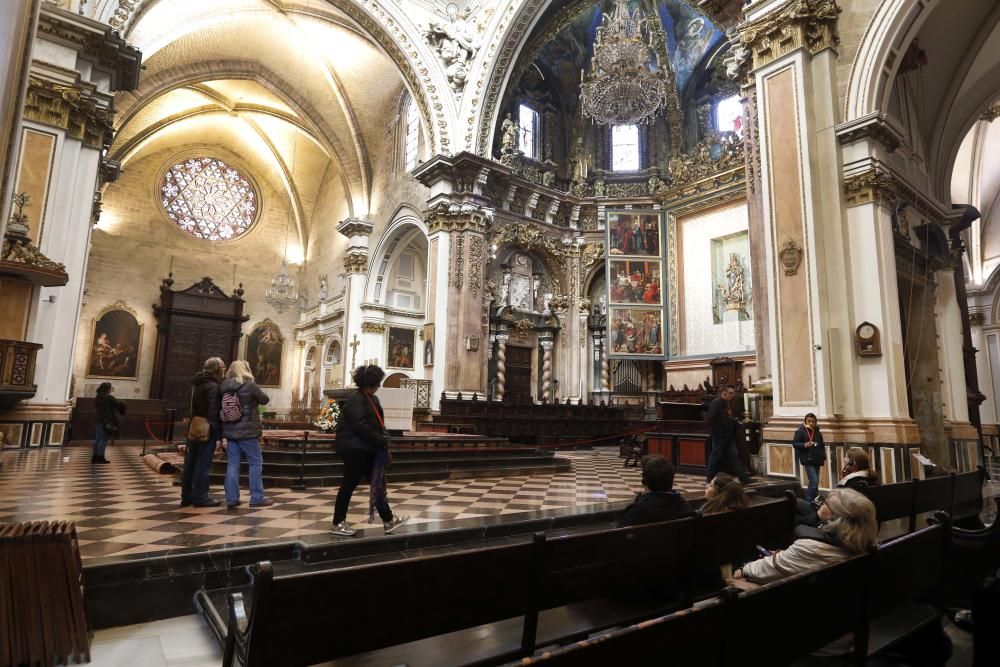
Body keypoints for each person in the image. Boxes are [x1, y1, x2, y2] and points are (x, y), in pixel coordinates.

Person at [728, 489, 879, 657]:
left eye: (826, 503)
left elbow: (761, 571)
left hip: (817, 642)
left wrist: (742, 571)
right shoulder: (865, 543)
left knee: (738, 595)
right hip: (849, 632)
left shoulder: (812, 548)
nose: (821, 503)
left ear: (836, 518)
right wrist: (785, 557)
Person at [330, 364, 408, 537]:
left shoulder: (372, 399)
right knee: (348, 486)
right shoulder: (356, 399)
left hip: (366, 449)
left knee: (377, 486)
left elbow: (379, 422)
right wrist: (380, 440)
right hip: (354, 449)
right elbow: (360, 426)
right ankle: (337, 522)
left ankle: (388, 520)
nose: (379, 385)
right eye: (377, 382)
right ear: (371, 383)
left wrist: (384, 437)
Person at [220, 360, 272, 509]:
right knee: (255, 463)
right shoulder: (250, 385)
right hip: (248, 431)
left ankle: (231, 499)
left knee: (232, 465)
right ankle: (256, 498)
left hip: (230, 430)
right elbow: (265, 399)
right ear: (245, 370)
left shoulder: (224, 386)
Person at [181, 357, 224, 508]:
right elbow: (214, 412)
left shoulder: (196, 383)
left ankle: (186, 496)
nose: (223, 371)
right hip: (207, 427)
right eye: (222, 368)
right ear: (216, 369)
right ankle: (201, 497)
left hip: (194, 425)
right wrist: (218, 435)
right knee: (203, 464)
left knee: (190, 463)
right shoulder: (213, 386)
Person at [618, 456, 696, 528]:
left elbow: (619, 531)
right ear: (671, 481)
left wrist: (639, 500)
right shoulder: (685, 505)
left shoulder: (639, 510)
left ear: (644, 482)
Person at [706, 385, 749, 484]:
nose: (732, 395)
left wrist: (735, 420)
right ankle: (709, 476)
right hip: (720, 435)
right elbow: (711, 419)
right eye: (730, 393)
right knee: (715, 455)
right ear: (724, 393)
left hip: (728, 434)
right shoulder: (716, 403)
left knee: (734, 455)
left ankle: (743, 478)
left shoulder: (727, 403)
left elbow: (729, 416)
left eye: (733, 393)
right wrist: (719, 431)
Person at [793, 413, 826, 502]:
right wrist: (804, 445)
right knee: (814, 481)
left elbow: (822, 445)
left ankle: (814, 500)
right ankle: (808, 501)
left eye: (813, 421)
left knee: (815, 482)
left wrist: (823, 456)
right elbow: (795, 444)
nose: (811, 423)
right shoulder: (800, 431)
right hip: (807, 459)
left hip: (817, 459)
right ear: (805, 421)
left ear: (816, 422)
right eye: (809, 421)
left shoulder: (818, 432)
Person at [92, 382, 125, 464]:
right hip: (106, 421)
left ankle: (95, 457)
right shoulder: (109, 397)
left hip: (98, 420)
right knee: (103, 439)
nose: (111, 389)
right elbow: (118, 405)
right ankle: (100, 458)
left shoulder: (98, 397)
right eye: (110, 388)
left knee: (97, 439)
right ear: (108, 389)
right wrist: (123, 403)